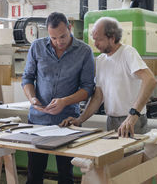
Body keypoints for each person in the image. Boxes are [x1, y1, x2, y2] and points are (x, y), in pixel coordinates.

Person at [21, 12, 95, 184]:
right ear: (48, 33)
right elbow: (27, 78)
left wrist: (65, 102)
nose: (59, 42)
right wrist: (32, 99)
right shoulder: (37, 47)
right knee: (34, 174)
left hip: (67, 122)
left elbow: (87, 88)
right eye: (53, 38)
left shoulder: (84, 51)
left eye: (62, 36)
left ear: (69, 28)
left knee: (65, 175)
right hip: (37, 122)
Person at [60, 17, 157, 137]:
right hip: (111, 120)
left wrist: (132, 116)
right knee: (113, 155)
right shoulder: (101, 60)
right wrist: (80, 120)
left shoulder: (127, 53)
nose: (95, 44)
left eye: (99, 40)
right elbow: (98, 96)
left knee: (131, 155)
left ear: (112, 38)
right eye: (94, 39)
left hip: (132, 121)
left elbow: (150, 80)